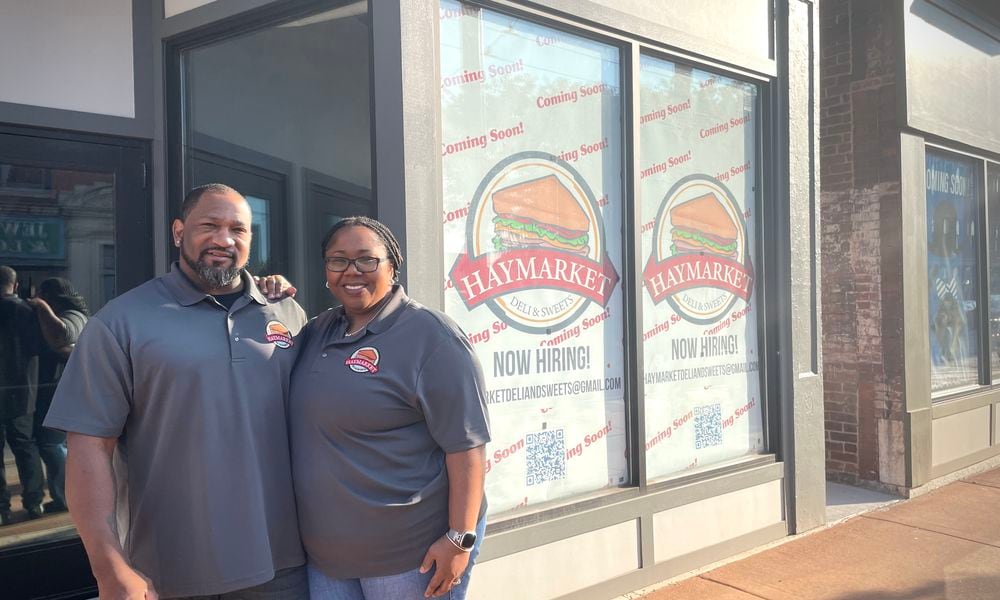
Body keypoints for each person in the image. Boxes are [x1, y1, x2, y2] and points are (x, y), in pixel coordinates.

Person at [44, 183, 308, 599]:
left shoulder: (288, 313)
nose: (224, 239)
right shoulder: (120, 323)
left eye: (238, 229)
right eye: (210, 225)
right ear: (178, 232)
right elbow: (90, 449)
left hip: (285, 566)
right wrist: (108, 565)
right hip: (171, 571)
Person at [289, 216, 491, 600]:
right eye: (338, 260)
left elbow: (467, 448)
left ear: (392, 266)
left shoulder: (432, 337)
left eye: (367, 260)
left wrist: (459, 539)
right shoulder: (318, 331)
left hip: (409, 558)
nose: (352, 271)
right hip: (327, 558)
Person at [26, 277, 90, 514]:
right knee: (55, 445)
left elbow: (61, 335)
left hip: (62, 393)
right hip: (60, 391)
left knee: (52, 445)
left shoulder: (74, 315)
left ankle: (65, 498)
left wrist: (42, 307)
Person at [0, 265, 45, 524]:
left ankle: (2, 507)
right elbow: (40, 348)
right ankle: (34, 501)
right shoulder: (27, 311)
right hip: (22, 390)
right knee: (25, 447)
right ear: (15, 286)